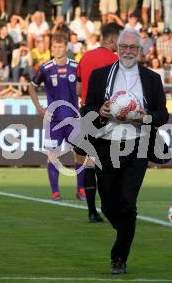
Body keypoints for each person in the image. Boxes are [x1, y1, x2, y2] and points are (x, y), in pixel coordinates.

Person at [81, 28, 169, 274]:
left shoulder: (151, 78)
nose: (128, 51)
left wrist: (147, 115)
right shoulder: (100, 76)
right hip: (105, 145)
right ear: (116, 48)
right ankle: (126, 231)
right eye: (123, 47)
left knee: (128, 204)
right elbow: (85, 108)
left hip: (138, 145)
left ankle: (119, 257)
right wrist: (100, 111)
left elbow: (163, 114)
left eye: (133, 47)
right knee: (109, 205)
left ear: (140, 51)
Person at [29, 32, 87, 202]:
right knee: (53, 155)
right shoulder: (45, 68)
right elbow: (31, 87)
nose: (57, 49)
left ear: (66, 47)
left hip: (73, 119)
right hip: (53, 120)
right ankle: (55, 192)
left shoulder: (76, 67)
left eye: (60, 46)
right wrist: (39, 108)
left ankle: (81, 190)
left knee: (80, 154)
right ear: (51, 48)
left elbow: (84, 87)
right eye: (54, 46)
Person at [76, 22, 124, 223]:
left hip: (87, 112)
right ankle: (111, 207)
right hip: (107, 114)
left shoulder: (85, 57)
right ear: (112, 39)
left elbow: (78, 90)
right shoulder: (114, 60)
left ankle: (91, 212)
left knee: (89, 161)